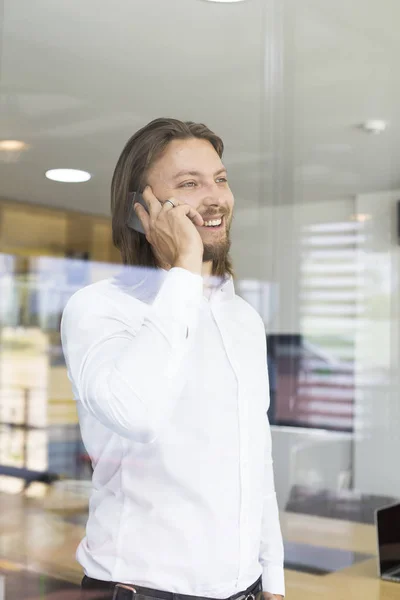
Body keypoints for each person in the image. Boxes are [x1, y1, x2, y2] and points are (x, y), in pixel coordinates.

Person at [61, 118, 285, 600]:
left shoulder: (244, 320)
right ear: (140, 210)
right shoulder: (99, 308)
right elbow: (136, 413)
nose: (216, 197)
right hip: (140, 590)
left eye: (220, 179)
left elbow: (255, 463)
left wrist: (274, 580)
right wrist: (184, 267)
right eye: (189, 184)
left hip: (246, 589)